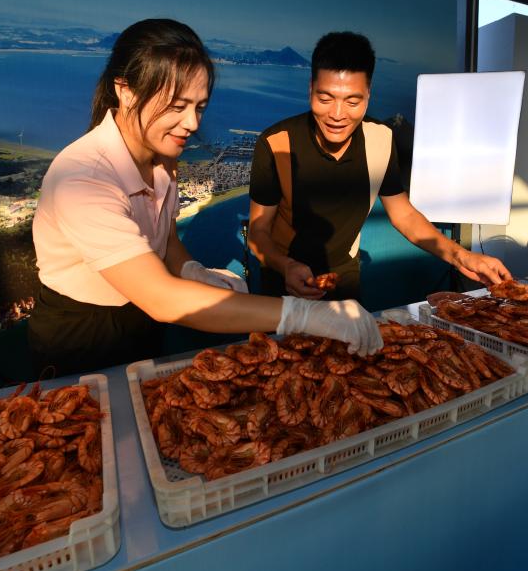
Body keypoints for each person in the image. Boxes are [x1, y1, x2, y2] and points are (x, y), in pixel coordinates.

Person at [29, 19, 383, 374]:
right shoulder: (84, 179)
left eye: (199, 107)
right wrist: (303, 314)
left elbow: (164, 241)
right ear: (126, 91)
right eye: (177, 106)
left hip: (141, 321)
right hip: (81, 335)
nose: (193, 123)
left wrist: (192, 270)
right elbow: (161, 298)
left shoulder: (163, 156)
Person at [247, 31, 512, 302]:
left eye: (353, 101)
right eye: (325, 99)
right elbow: (258, 231)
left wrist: (461, 256)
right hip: (284, 277)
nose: (337, 114)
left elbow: (404, 215)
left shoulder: (381, 138)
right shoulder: (276, 143)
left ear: (368, 94)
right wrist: (286, 266)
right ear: (310, 89)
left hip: (344, 277)